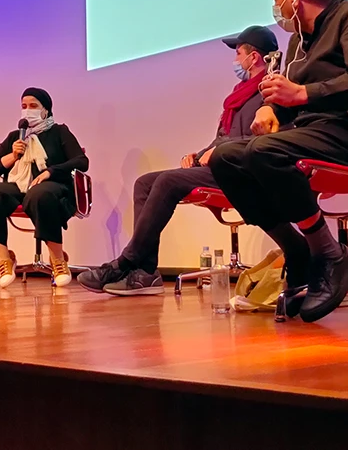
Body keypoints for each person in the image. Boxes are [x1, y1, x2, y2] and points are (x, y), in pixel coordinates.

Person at [208, 0, 348, 323]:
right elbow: (299, 96)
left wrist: (300, 94)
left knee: (265, 152)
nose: (275, 7)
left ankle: (330, 255)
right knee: (227, 158)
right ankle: (298, 251)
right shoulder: (299, 41)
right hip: (319, 132)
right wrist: (277, 110)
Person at [78, 26, 280, 296]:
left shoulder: (272, 91)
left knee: (168, 180)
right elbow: (222, 137)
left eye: (239, 53)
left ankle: (126, 261)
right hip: (221, 163)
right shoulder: (237, 95)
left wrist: (219, 152)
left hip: (243, 169)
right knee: (144, 182)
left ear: (254, 57)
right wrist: (199, 154)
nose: (235, 60)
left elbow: (265, 138)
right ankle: (146, 273)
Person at [0, 88, 88, 288]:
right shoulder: (15, 137)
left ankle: (58, 259)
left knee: (40, 194)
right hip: (19, 188)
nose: (27, 111)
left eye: (33, 106)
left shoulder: (59, 132)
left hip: (53, 188)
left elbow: (81, 161)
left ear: (45, 110)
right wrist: (12, 156)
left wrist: (50, 172)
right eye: (24, 107)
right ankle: (4, 260)